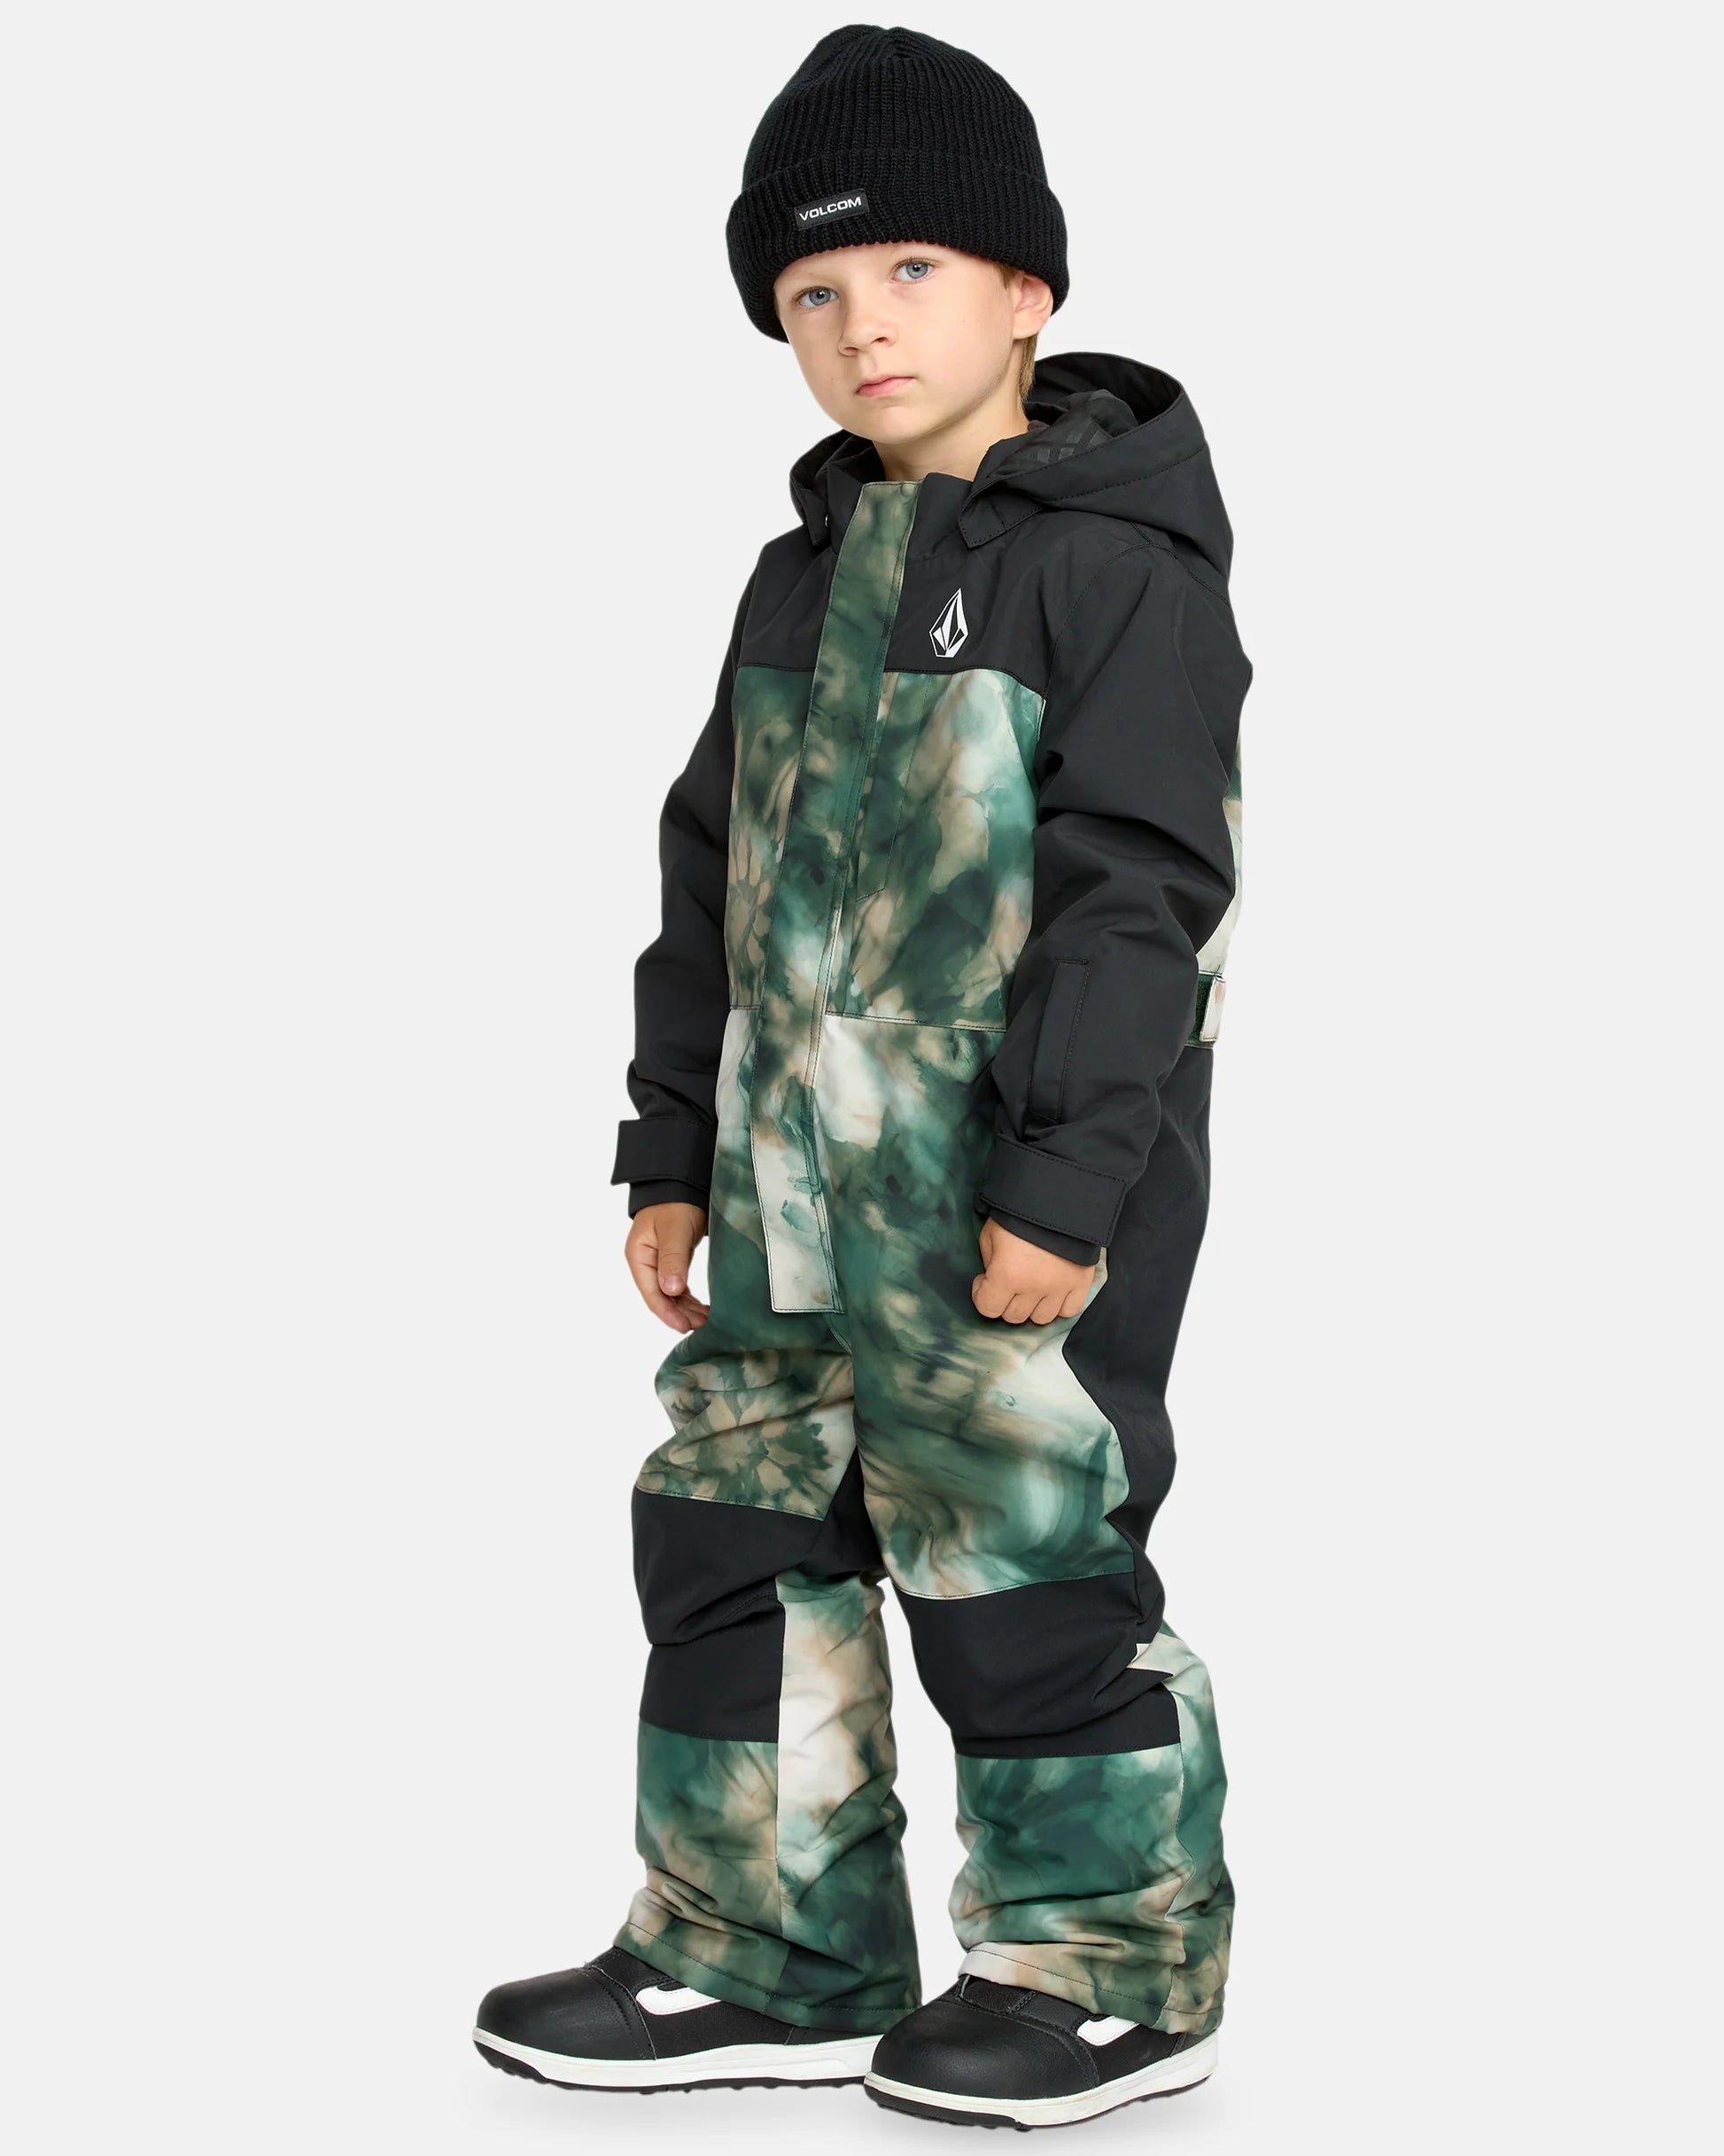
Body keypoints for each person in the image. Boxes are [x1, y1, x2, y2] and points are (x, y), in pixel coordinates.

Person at [473, 23, 1251, 2133]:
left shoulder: (1116, 578)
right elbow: (705, 876)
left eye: (909, 268)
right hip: (777, 1196)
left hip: (998, 1194)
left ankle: (1109, 1967)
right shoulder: (798, 581)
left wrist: (1065, 1182)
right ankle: (768, 1938)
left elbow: (1140, 897)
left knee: (1016, 1548)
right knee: (735, 1527)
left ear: (1028, 288)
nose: (859, 324)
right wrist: (668, 1144)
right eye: (811, 290)